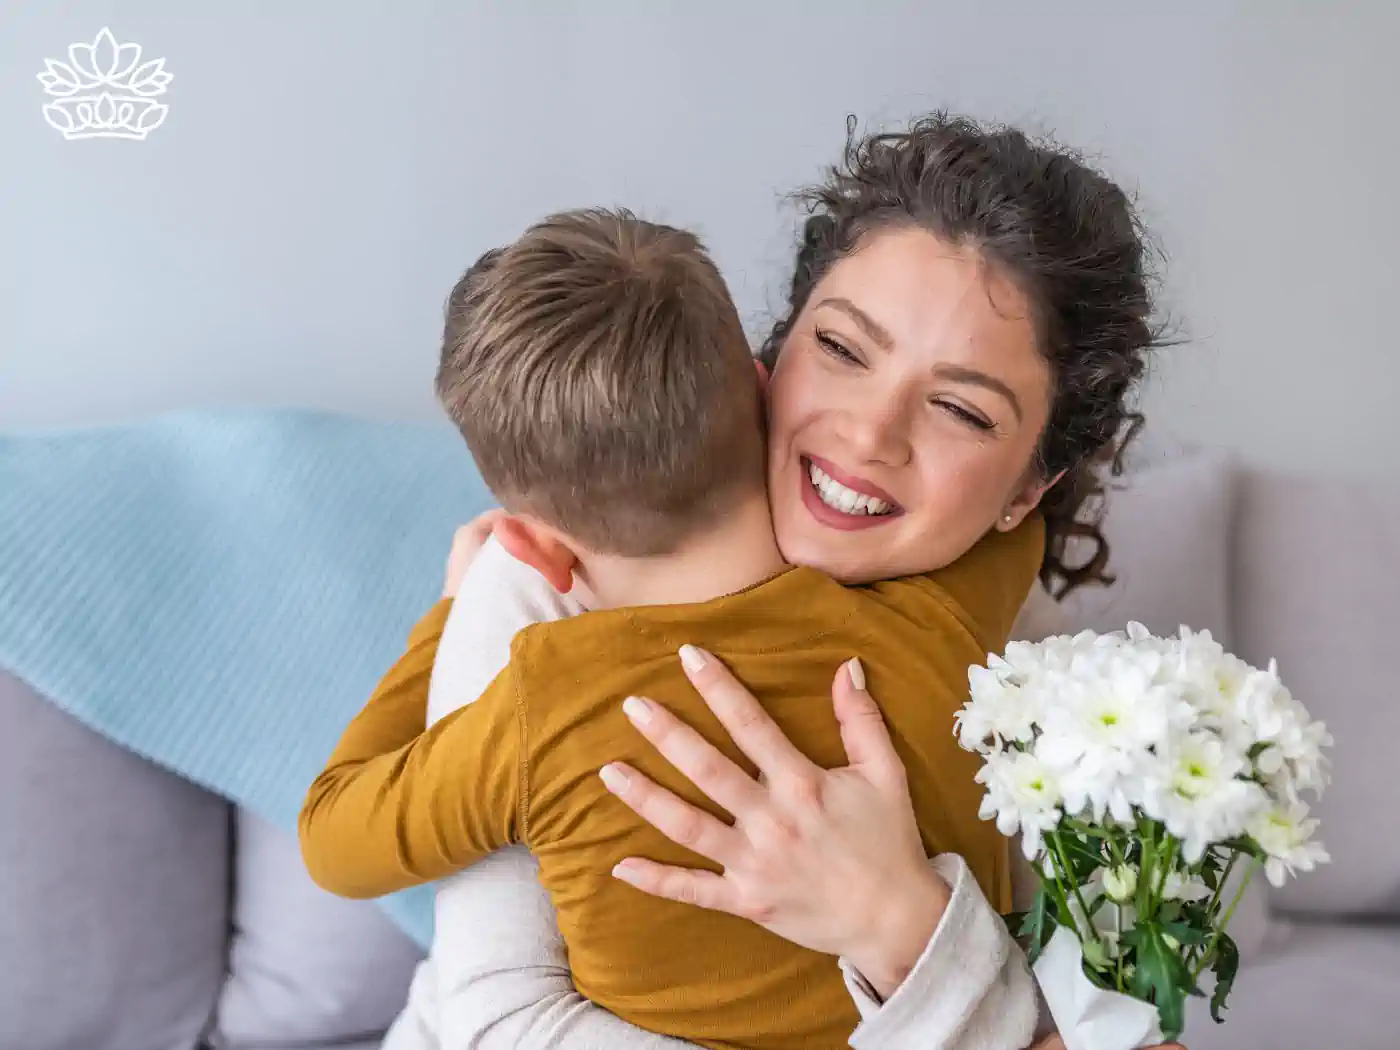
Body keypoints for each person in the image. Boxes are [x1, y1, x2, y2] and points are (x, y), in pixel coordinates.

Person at [310, 111, 1184, 1049]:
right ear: (767, 362)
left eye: (962, 410)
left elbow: (1133, 1025)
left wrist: (903, 926)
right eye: (844, 350)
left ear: (1026, 492)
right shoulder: (533, 597)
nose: (868, 434)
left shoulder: (1030, 661)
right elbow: (499, 1021)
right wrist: (457, 616)